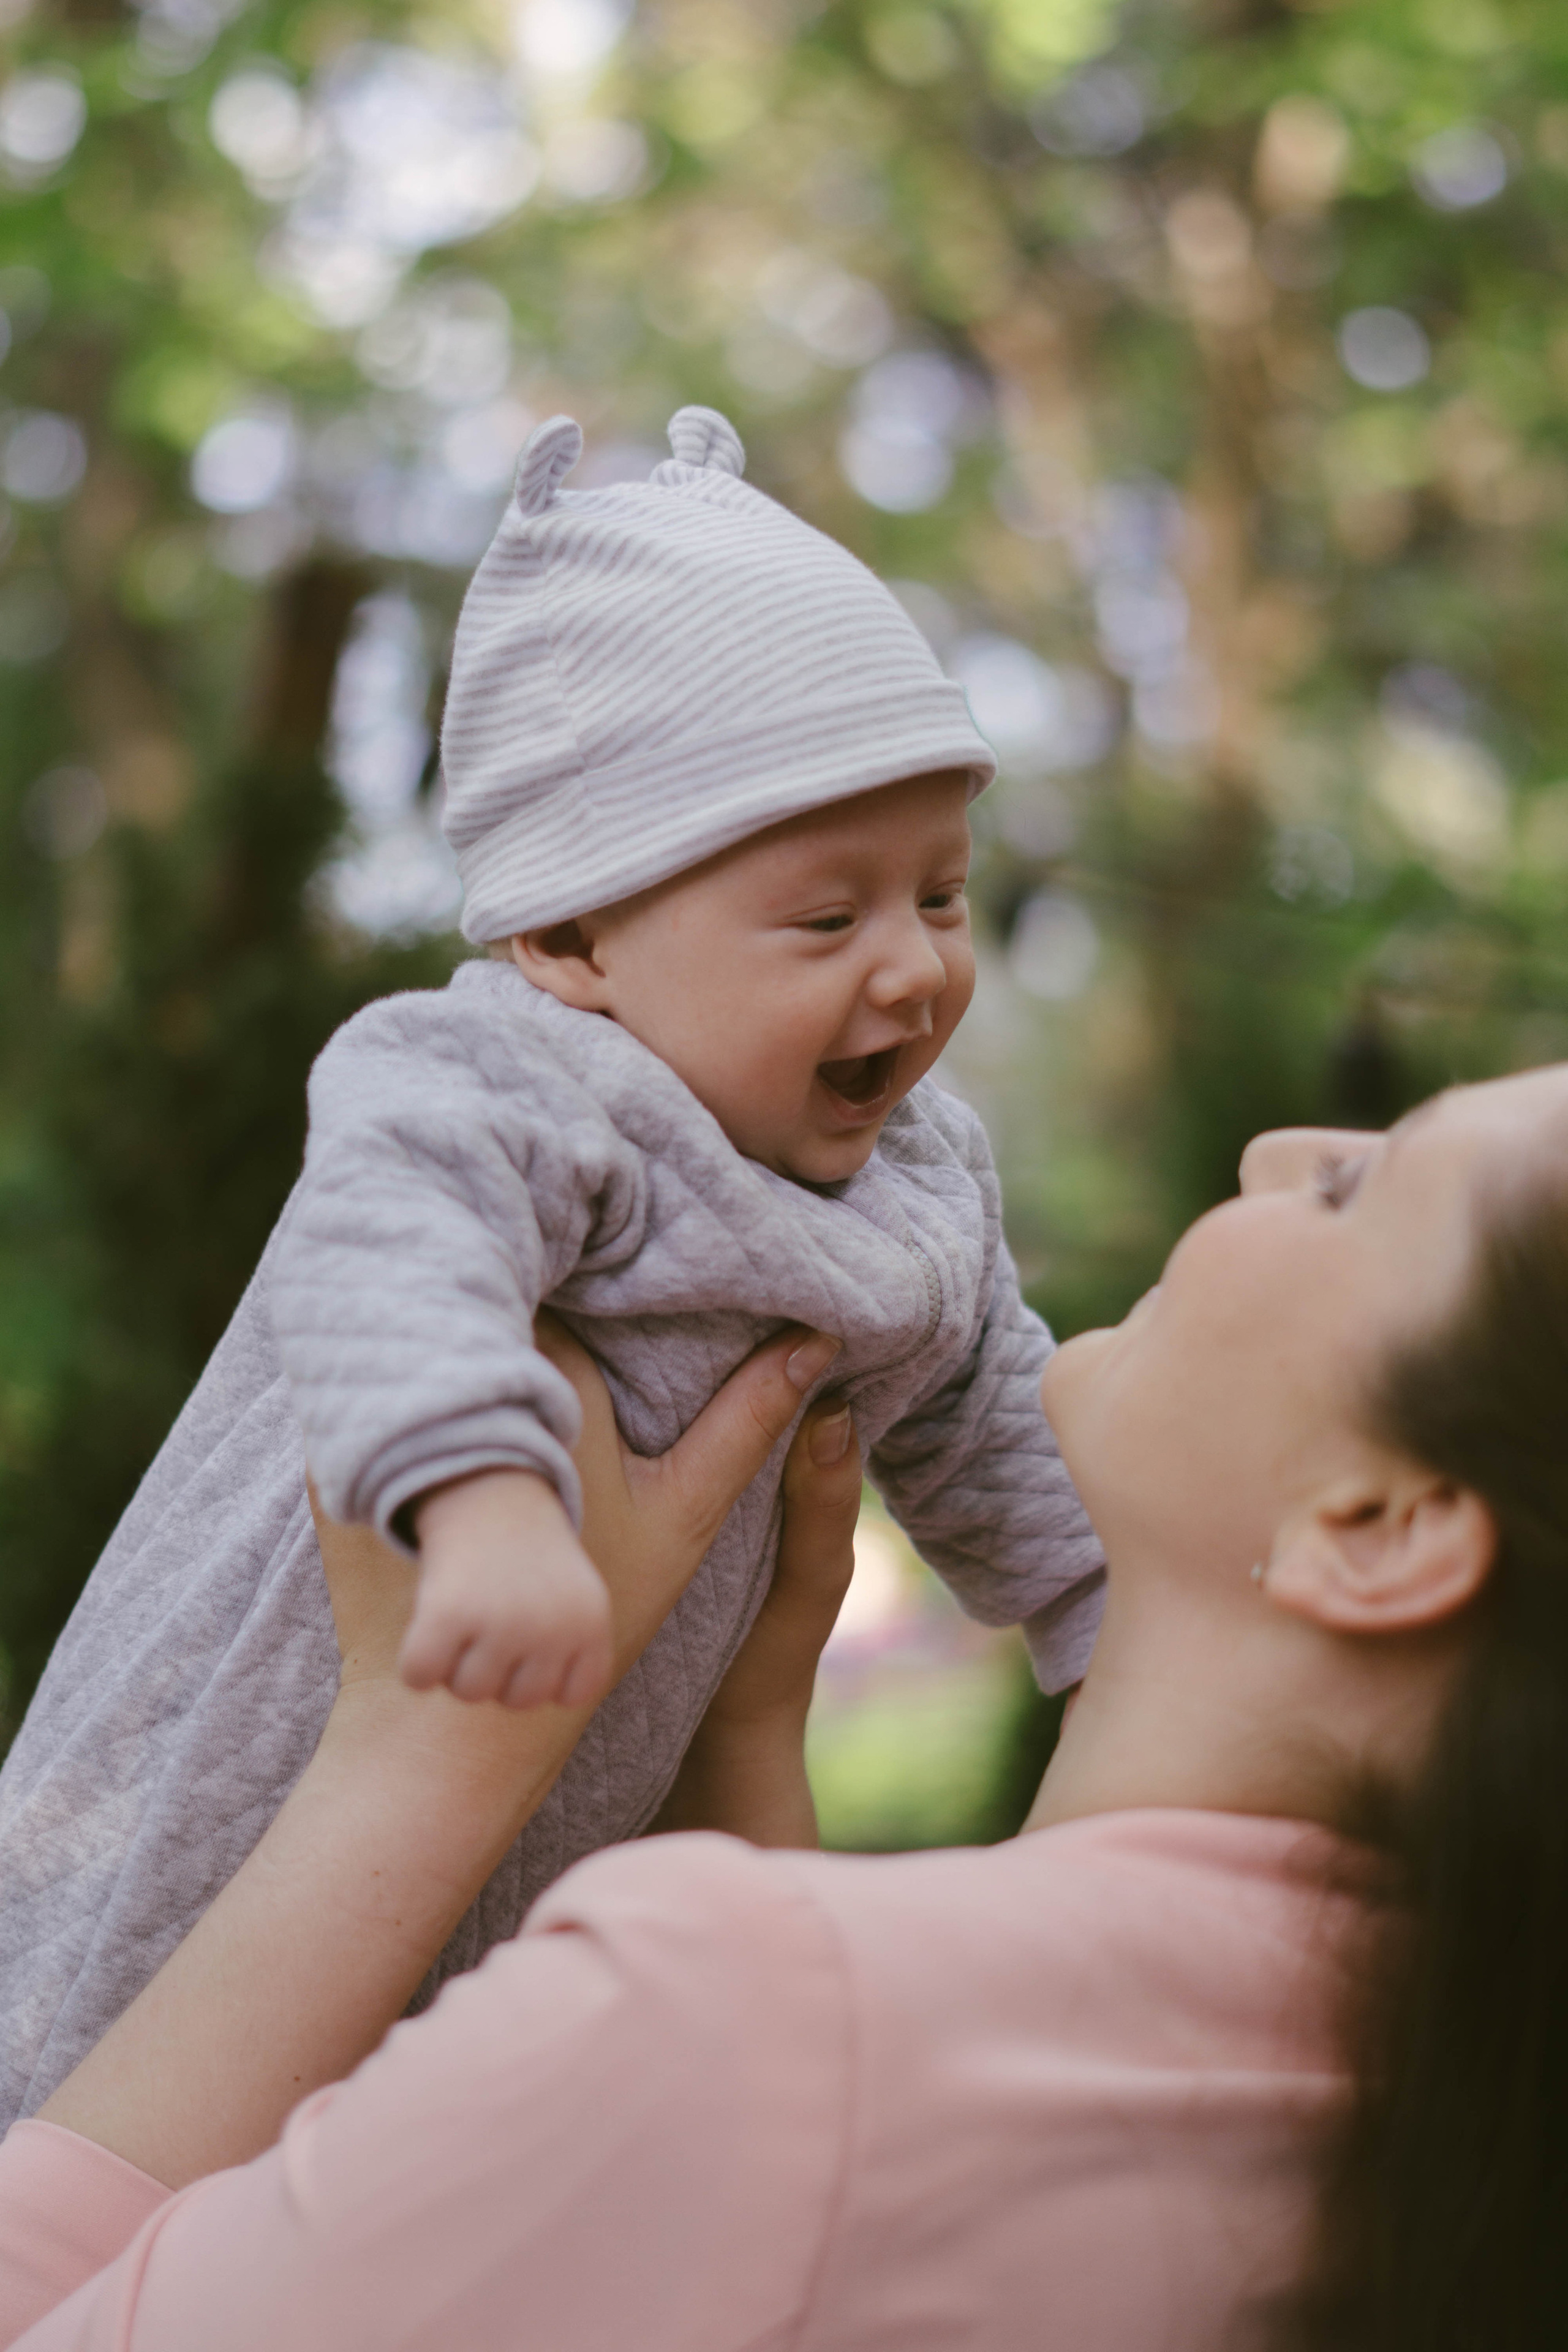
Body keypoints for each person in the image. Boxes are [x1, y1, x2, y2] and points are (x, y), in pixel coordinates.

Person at [6, 1066, 1567, 2350]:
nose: (1275, 1141)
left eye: (1360, 1189)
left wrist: (427, 1754)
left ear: (1380, 1526)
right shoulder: (1443, 2108)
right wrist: (747, 1750)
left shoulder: (735, 2026)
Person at [0, 402, 1105, 2136]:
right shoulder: (502, 1077)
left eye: (945, 899)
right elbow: (387, 1263)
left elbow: (995, 1428)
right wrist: (484, 1496)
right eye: (830, 919)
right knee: (130, 2137)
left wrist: (1112, 1628)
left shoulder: (918, 1186)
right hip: (242, 1811)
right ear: (573, 938)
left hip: (562, 1841)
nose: (912, 974)